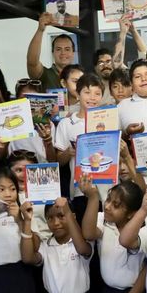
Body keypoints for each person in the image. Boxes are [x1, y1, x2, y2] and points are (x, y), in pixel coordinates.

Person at [80, 178, 146, 293]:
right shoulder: (104, 220)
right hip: (110, 291)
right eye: (108, 199)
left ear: (131, 213)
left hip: (136, 291)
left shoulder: (145, 226)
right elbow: (88, 233)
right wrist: (93, 198)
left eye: (116, 205)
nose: (108, 206)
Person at [54, 73, 105, 209]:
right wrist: (69, 152)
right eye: (87, 92)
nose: (92, 98)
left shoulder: (109, 121)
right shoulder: (66, 123)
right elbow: (58, 160)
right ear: (78, 94)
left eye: (97, 93)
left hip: (108, 187)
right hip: (80, 188)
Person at [26, 12, 76, 91]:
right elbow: (32, 62)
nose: (63, 53)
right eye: (58, 49)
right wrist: (40, 30)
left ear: (73, 53)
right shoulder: (46, 74)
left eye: (67, 49)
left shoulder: (80, 76)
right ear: (53, 52)